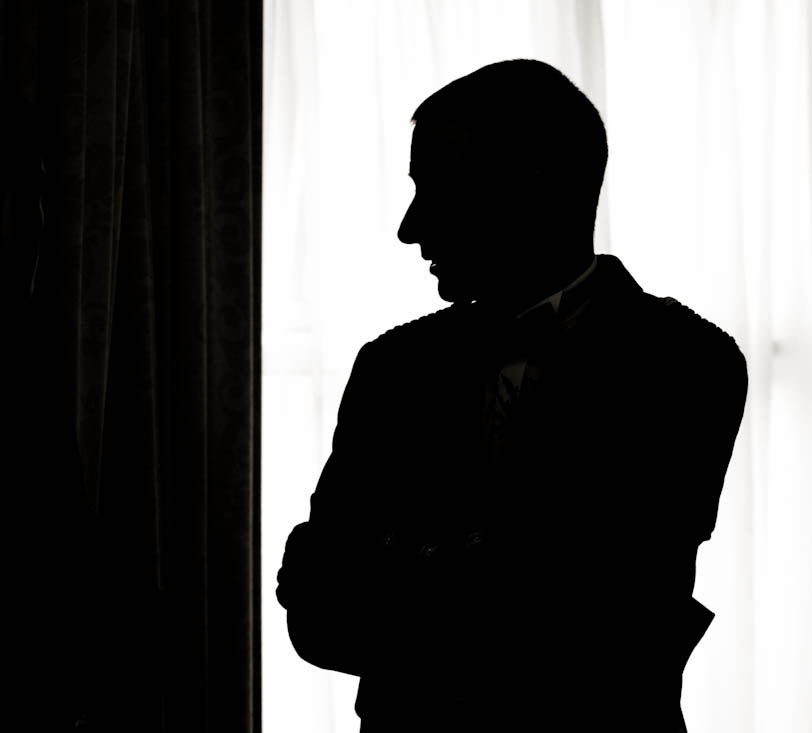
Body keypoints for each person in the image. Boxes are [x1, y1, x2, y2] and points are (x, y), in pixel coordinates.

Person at [275, 59, 748, 732]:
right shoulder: (392, 367)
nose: (411, 227)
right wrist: (475, 567)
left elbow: (599, 620)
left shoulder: (685, 361)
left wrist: (392, 572)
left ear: (533, 186)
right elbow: (317, 619)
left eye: (437, 189)